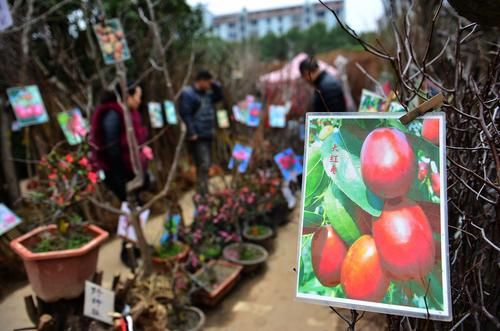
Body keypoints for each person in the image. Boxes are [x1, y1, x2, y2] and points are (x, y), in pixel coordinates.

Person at [90, 81, 152, 267]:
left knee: (135, 207)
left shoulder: (127, 114)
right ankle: (128, 252)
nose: (140, 100)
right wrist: (127, 174)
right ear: (128, 96)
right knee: (132, 208)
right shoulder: (113, 115)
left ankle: (135, 246)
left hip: (128, 170)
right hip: (118, 172)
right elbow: (112, 149)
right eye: (138, 96)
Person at [178, 70, 223, 195]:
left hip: (207, 133)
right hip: (198, 136)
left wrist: (215, 84)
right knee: (203, 164)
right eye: (208, 82)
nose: (210, 85)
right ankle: (202, 192)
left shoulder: (207, 94)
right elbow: (186, 114)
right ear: (201, 81)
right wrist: (192, 132)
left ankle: (204, 190)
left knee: (206, 164)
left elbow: (219, 96)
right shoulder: (189, 94)